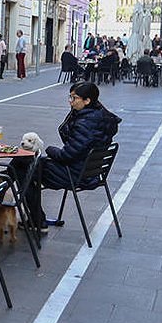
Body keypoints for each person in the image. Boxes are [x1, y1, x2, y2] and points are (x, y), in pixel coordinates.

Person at [14, 82, 121, 229]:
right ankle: (22, 213)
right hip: (90, 171)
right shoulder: (100, 117)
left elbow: (67, 155)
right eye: (70, 97)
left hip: (75, 174)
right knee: (24, 163)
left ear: (87, 101)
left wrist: (49, 149)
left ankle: (36, 220)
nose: (70, 101)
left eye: (74, 98)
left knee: (21, 168)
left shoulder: (85, 123)